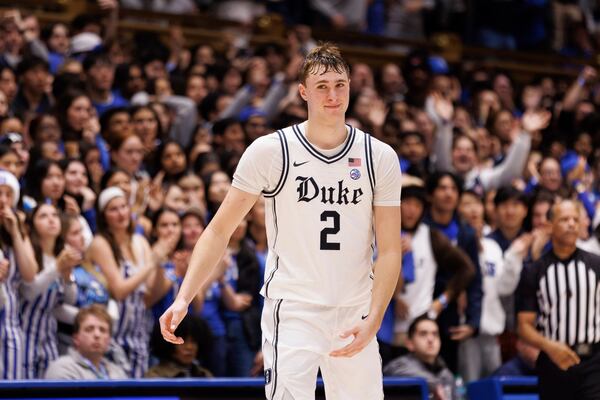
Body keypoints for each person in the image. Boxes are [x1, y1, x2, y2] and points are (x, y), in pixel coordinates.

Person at [161, 43, 402, 399]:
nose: (332, 95)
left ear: (350, 86)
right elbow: (218, 229)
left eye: (339, 84)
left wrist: (376, 317)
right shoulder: (271, 152)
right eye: (322, 86)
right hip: (294, 310)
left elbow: (391, 250)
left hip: (355, 310)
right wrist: (184, 297)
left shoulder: (379, 157)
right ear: (303, 91)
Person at [516, 199, 600, 400]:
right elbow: (523, 326)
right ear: (549, 226)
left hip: (594, 362)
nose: (571, 224)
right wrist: (549, 346)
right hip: (552, 362)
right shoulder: (534, 271)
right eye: (564, 219)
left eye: (575, 219)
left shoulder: (597, 265)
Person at [44, 304, 128, 379]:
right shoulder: (62, 368)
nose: (97, 335)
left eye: (102, 330)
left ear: (109, 340)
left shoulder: (117, 372)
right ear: (76, 339)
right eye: (89, 329)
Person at [384, 315, 454, 400]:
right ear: (410, 343)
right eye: (423, 334)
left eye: (435, 334)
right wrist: (434, 385)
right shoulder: (399, 366)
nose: (431, 339)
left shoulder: (446, 374)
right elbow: (390, 370)